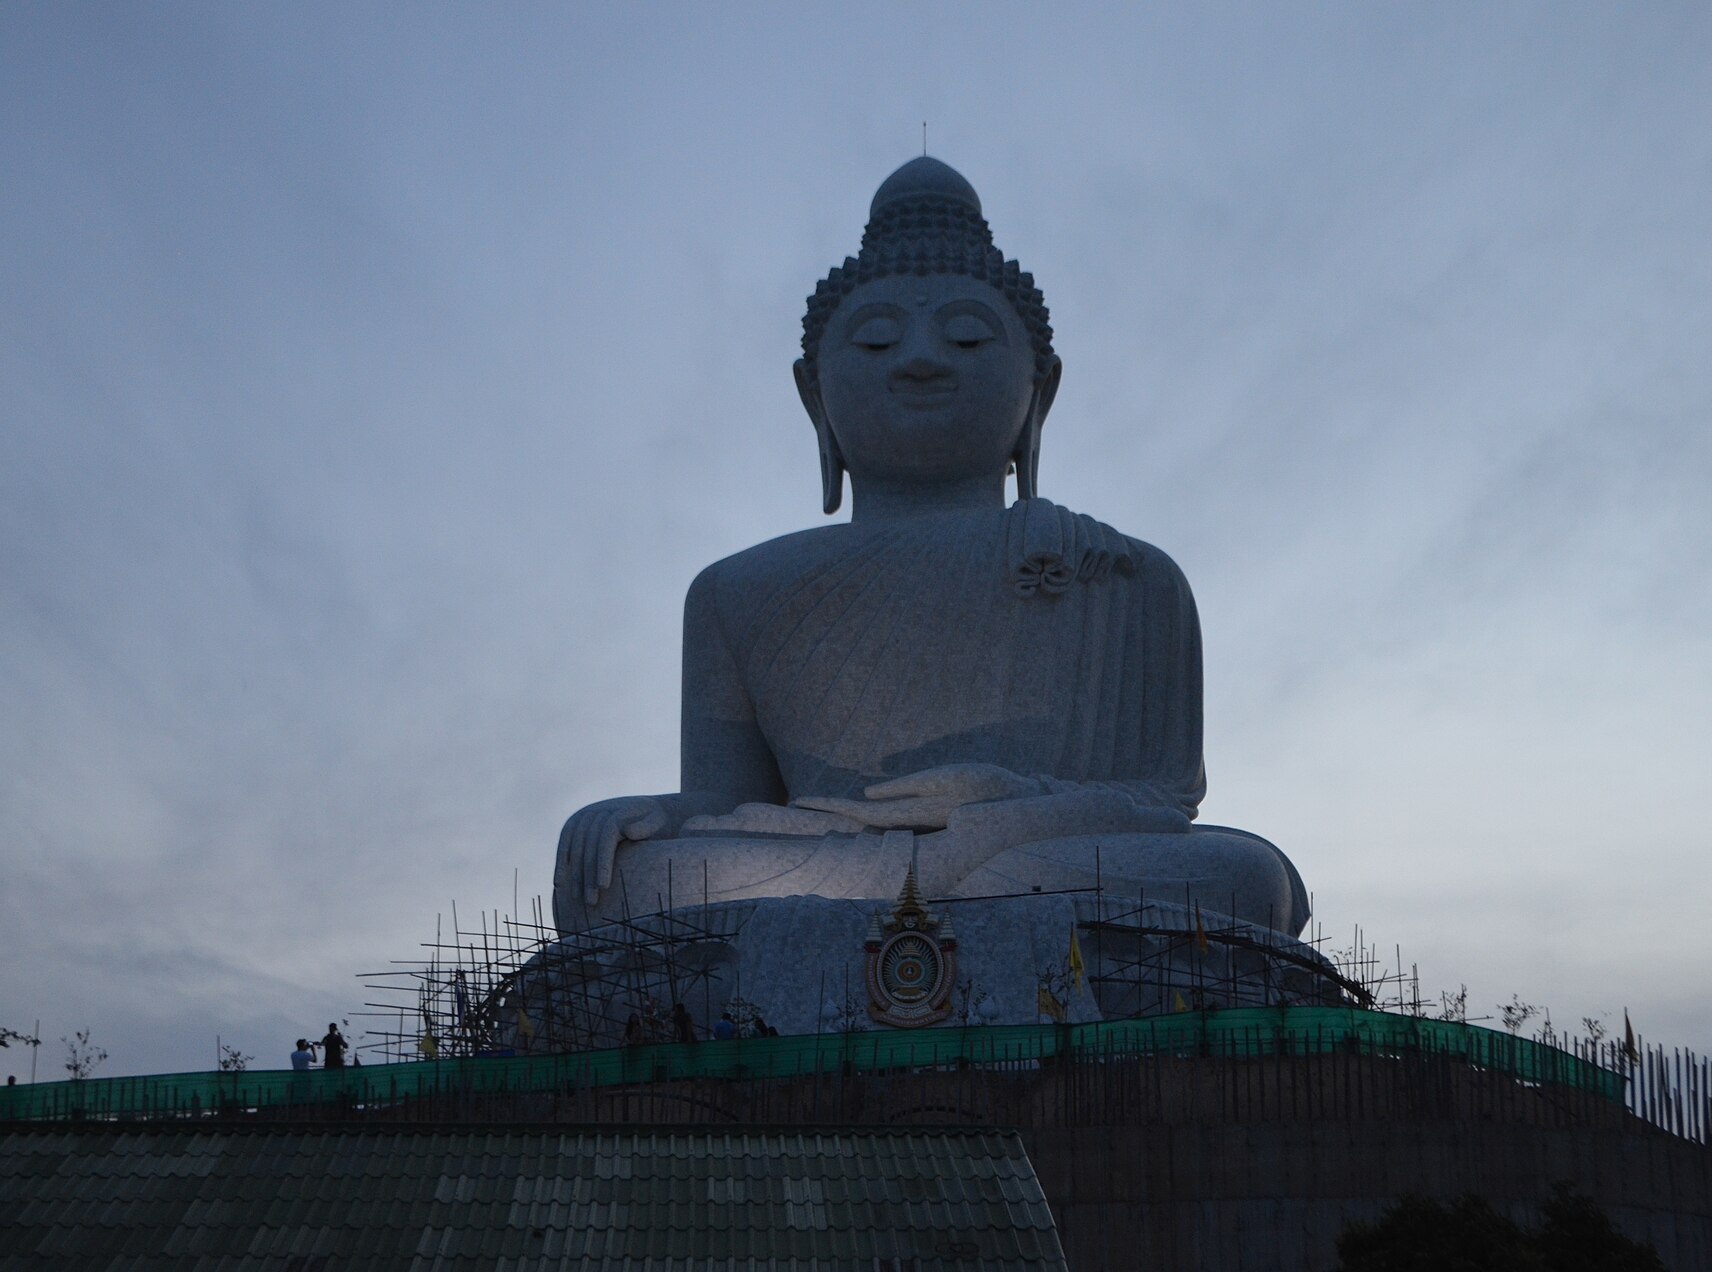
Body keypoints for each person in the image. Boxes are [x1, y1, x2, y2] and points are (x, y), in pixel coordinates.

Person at [551, 156, 1308, 942]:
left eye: (968, 337)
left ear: (1037, 396)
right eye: (876, 342)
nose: (920, 358)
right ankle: (972, 901)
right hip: (842, 865)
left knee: (1248, 877)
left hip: (1025, 854)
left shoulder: (1128, 576)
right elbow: (726, 799)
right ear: (815, 396)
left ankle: (955, 892)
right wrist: (641, 818)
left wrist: (1000, 810)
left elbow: (1159, 802)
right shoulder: (732, 590)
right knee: (623, 885)